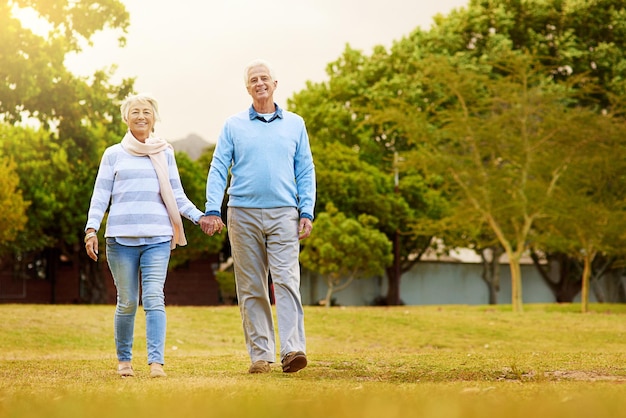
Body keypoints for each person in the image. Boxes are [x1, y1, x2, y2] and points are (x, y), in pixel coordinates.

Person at [200, 59, 316, 374]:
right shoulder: (233, 125)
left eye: (265, 78)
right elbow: (218, 166)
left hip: (285, 214)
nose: (259, 83)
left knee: (287, 280)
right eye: (253, 79)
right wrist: (213, 207)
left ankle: (293, 350)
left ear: (275, 84)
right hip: (242, 213)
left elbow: (305, 169)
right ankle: (261, 355)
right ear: (247, 87)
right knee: (252, 285)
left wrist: (307, 209)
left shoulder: (295, 124)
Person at [84, 93, 206, 378]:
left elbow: (176, 194)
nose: (141, 116)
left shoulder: (165, 152)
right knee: (127, 302)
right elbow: (100, 195)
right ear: (126, 118)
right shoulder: (113, 154)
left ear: (154, 118)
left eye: (146, 111)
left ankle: (156, 363)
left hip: (158, 239)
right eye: (135, 111)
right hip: (120, 241)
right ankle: (124, 361)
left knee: (154, 298)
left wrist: (200, 217)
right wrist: (91, 229)